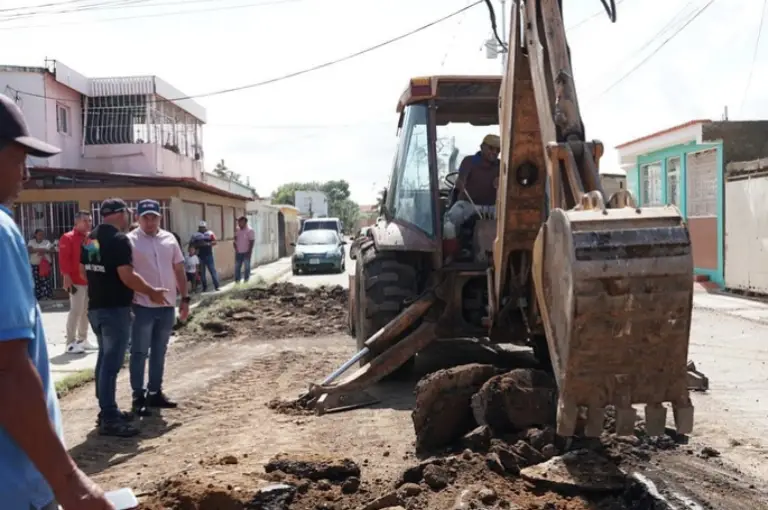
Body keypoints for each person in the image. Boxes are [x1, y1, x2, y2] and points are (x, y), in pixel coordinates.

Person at [0, 92, 115, 510]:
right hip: (13, 488)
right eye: (19, 160)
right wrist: (69, 482)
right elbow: (7, 370)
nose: (25, 175)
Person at [82, 197, 169, 437]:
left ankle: (106, 409)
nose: (130, 215)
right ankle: (109, 416)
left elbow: (83, 271)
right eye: (128, 212)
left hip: (96, 308)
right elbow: (127, 276)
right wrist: (151, 291)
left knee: (103, 360)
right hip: (113, 309)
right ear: (120, 213)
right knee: (111, 364)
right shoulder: (119, 240)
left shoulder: (91, 237)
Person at [127, 199, 190, 416]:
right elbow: (126, 274)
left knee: (159, 351)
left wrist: (185, 298)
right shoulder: (130, 241)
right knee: (139, 351)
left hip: (166, 306)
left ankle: (155, 392)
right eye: (146, 217)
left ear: (160, 218)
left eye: (154, 217)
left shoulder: (169, 239)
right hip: (142, 306)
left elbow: (179, 269)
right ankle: (138, 395)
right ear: (138, 218)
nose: (150, 221)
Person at [442, 134, 501, 259]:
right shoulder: (471, 161)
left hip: (492, 206)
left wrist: (501, 183)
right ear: (482, 147)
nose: (494, 152)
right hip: (469, 204)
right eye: (491, 148)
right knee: (451, 219)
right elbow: (461, 180)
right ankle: (453, 252)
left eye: (498, 150)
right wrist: (461, 182)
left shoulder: (500, 165)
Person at [59, 210, 96, 354]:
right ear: (77, 222)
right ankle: (70, 342)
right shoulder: (67, 238)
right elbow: (64, 259)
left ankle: (83, 339)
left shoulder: (90, 237)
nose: (89, 223)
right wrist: (66, 276)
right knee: (76, 310)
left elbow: (94, 256)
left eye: (90, 221)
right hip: (75, 281)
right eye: (85, 221)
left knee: (86, 311)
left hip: (89, 280)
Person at [189, 221, 219, 292]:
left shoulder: (210, 233)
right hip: (199, 256)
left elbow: (215, 242)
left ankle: (216, 286)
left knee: (212, 271)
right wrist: (198, 245)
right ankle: (204, 287)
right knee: (202, 273)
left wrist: (207, 244)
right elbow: (191, 244)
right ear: (198, 227)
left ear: (206, 227)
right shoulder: (195, 235)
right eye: (201, 227)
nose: (202, 229)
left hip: (209, 255)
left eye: (203, 227)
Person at [28, 228, 54, 301]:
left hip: (45, 265)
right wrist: (42, 250)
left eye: (42, 235)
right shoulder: (31, 242)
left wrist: (43, 251)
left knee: (45, 280)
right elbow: (30, 250)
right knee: (36, 281)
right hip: (35, 264)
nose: (41, 236)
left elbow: (52, 250)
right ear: (35, 235)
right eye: (39, 234)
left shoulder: (47, 242)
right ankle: (38, 297)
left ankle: (47, 296)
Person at [233, 215, 255, 283]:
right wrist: (235, 246)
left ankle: (246, 281)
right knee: (237, 268)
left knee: (247, 268)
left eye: (240, 222)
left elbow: (252, 242)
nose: (239, 224)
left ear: (244, 222)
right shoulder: (237, 229)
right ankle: (237, 281)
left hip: (246, 252)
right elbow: (235, 239)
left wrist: (249, 252)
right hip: (238, 252)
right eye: (238, 222)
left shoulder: (250, 230)